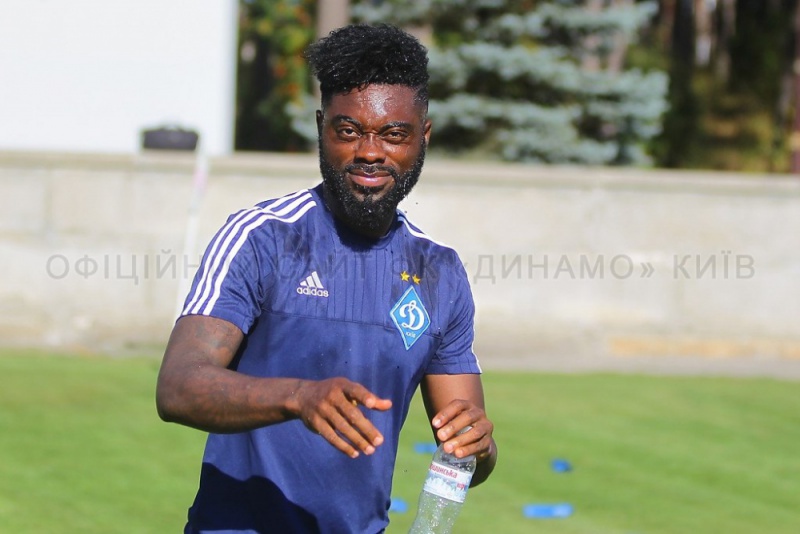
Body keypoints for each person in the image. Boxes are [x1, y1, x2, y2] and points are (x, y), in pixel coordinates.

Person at [156, 23, 497, 534]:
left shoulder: (439, 272)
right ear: (322, 128)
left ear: (422, 136)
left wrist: (480, 448)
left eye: (393, 134)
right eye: (349, 131)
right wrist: (298, 397)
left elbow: (467, 448)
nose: (370, 152)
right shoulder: (263, 238)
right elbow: (178, 386)